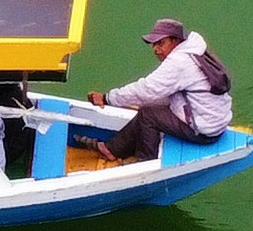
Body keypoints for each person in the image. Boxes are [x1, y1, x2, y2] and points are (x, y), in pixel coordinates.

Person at [100, 17, 234, 162]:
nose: (156, 49)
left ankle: (144, 162)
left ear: (175, 41)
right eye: (153, 45)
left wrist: (107, 98)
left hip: (204, 131)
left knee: (148, 115)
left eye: (161, 43)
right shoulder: (196, 50)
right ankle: (112, 149)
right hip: (215, 119)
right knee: (148, 105)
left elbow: (147, 90)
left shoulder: (179, 63)